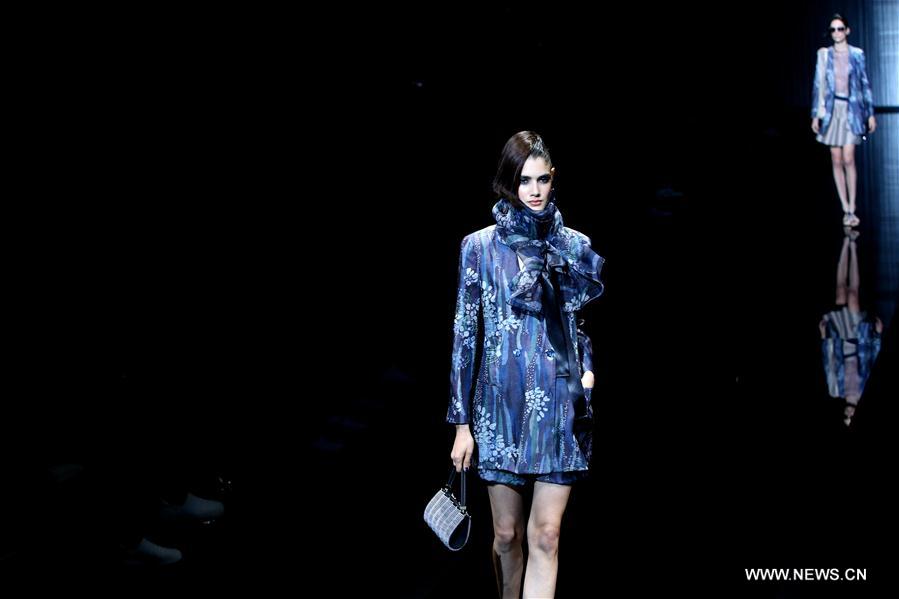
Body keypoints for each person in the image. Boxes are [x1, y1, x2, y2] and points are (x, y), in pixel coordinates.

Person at [447, 131, 604, 597]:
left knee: (547, 536)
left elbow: (579, 325)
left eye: (542, 180)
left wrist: (588, 369)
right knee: (506, 535)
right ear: (508, 182)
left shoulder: (573, 246)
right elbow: (464, 335)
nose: (534, 191)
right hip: (500, 409)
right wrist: (461, 424)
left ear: (553, 179)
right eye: (524, 180)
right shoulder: (479, 247)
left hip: (558, 404)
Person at [811, 13, 876, 228]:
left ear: (847, 31)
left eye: (840, 29)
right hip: (832, 111)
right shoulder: (824, 55)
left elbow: (864, 84)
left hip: (852, 110)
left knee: (849, 158)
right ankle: (845, 208)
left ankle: (853, 206)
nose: (836, 33)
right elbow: (819, 85)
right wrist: (816, 115)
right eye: (833, 29)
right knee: (836, 159)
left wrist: (870, 113)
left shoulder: (857, 54)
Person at [819, 227, 882, 426]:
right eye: (851, 418)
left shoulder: (835, 391)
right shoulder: (865, 389)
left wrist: (824, 336)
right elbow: (873, 360)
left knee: (840, 292)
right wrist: (878, 336)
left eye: (846, 418)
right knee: (853, 295)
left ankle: (846, 241)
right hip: (858, 339)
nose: (848, 415)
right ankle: (853, 244)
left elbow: (829, 363)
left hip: (840, 339)